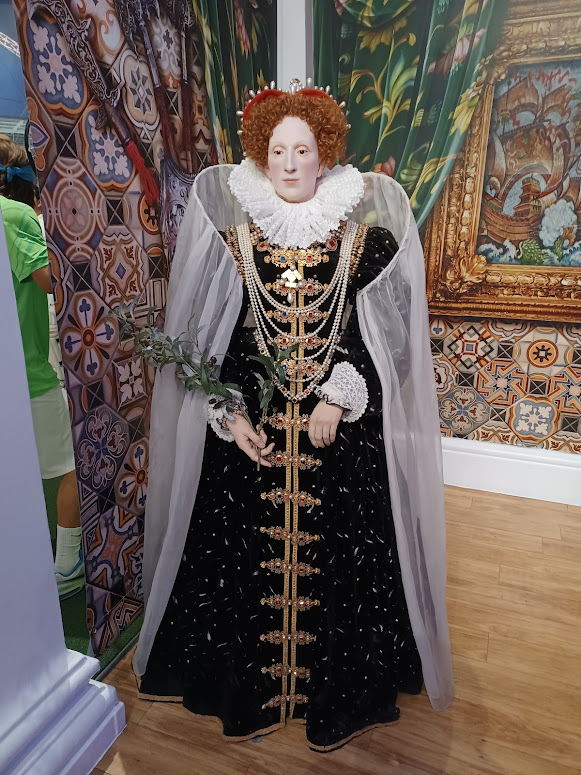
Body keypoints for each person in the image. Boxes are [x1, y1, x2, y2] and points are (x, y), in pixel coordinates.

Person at [133, 80, 453, 751]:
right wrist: (229, 411)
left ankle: (333, 690)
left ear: (324, 154)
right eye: (277, 150)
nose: (288, 162)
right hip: (253, 439)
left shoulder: (365, 243)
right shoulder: (233, 242)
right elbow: (218, 343)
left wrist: (339, 392)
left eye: (302, 149)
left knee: (345, 569)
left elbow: (391, 341)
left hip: (340, 439)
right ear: (261, 154)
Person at [0, 138, 84, 599]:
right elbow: (51, 280)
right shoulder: (14, 216)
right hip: (29, 371)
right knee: (69, 464)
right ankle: (68, 562)